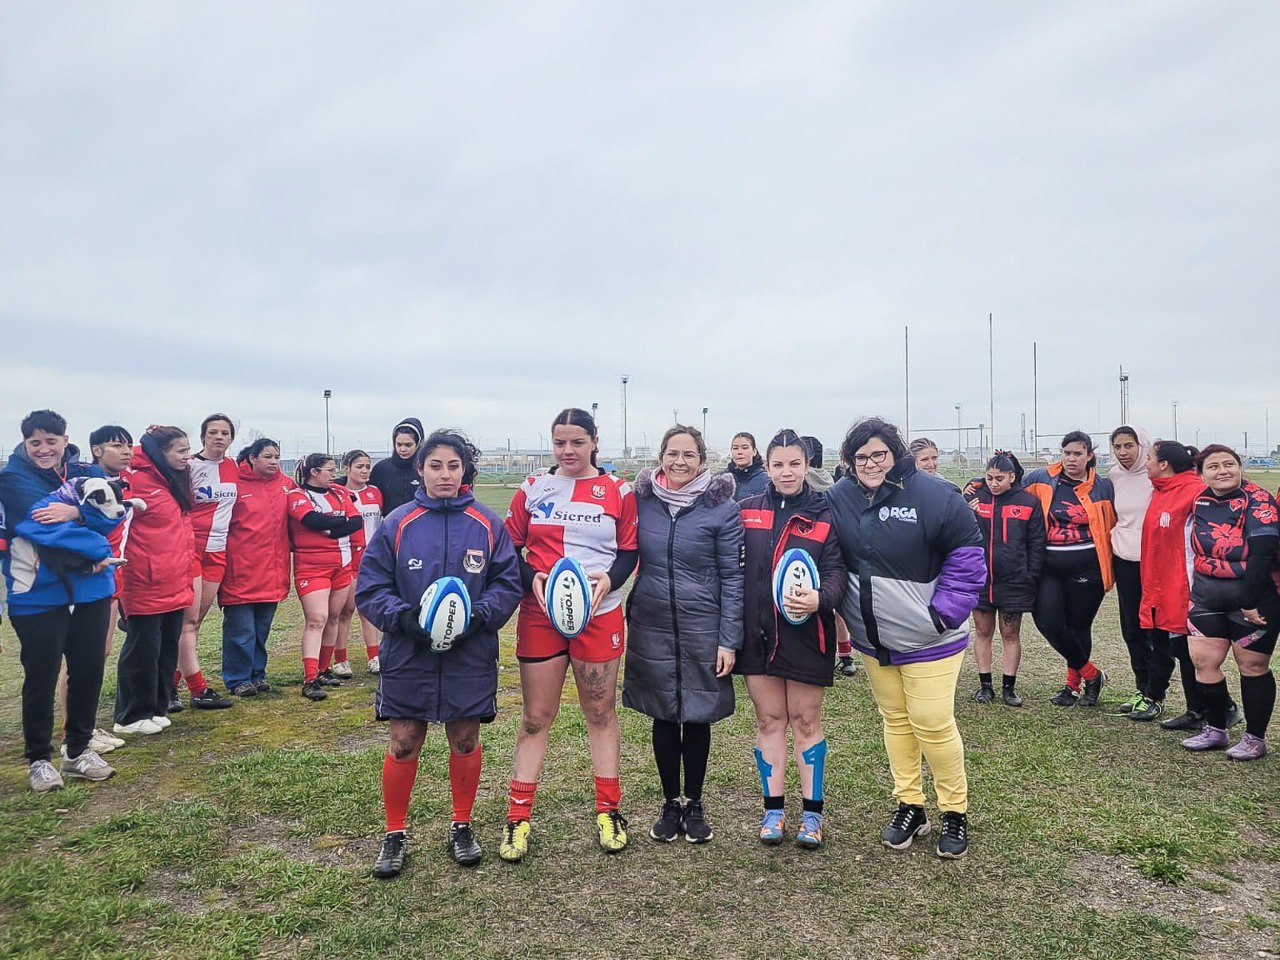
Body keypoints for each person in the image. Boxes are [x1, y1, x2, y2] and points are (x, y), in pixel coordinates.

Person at [356, 430, 522, 876]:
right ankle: (394, 833)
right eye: (435, 466)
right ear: (420, 470)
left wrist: (477, 617)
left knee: (465, 738)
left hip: (470, 652)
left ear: (465, 469)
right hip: (410, 652)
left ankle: (461, 825)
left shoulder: (488, 523)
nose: (445, 475)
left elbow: (508, 584)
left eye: (453, 466)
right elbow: (370, 588)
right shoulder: (397, 523)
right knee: (404, 741)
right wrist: (405, 619)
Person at [827, 417, 985, 860]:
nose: (871, 463)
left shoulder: (937, 495)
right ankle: (910, 804)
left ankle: (955, 810)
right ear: (849, 461)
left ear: (896, 452)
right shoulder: (839, 497)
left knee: (932, 724)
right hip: (874, 641)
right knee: (895, 721)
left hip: (932, 640)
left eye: (879, 453)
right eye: (861, 456)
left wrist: (941, 616)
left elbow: (968, 557)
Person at [499, 407, 638, 861]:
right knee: (536, 717)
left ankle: (608, 810)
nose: (568, 450)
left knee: (599, 710)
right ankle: (517, 820)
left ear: (594, 441)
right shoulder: (533, 486)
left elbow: (629, 552)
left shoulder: (618, 490)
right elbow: (508, 548)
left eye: (577, 442)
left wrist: (608, 582)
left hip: (598, 614)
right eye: (560, 442)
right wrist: (531, 579)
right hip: (541, 615)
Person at [624, 425, 743, 844]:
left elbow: (733, 576)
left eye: (688, 455)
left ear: (701, 460)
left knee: (696, 715)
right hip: (652, 623)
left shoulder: (723, 508)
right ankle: (669, 801)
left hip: (702, 626)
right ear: (661, 457)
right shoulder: (642, 502)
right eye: (672, 454)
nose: (679, 462)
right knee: (663, 713)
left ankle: (694, 802)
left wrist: (729, 638)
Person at [0, 410, 122, 791]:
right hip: (36, 592)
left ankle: (78, 750)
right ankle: (39, 758)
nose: (43, 449)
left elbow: (112, 514)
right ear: (24, 443)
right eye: (35, 442)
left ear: (65, 440)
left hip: (91, 590)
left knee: (88, 669)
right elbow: (39, 524)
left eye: (51, 441)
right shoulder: (12, 478)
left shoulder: (87, 473)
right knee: (42, 674)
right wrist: (98, 545)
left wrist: (75, 511)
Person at [737, 429, 846, 850]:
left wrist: (822, 598)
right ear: (767, 467)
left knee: (806, 722)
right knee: (769, 721)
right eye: (778, 464)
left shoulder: (824, 514)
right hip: (756, 637)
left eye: (794, 464)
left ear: (807, 466)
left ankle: (813, 816)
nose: (787, 472)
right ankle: (774, 811)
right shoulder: (745, 510)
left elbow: (837, 572)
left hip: (806, 637)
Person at [1180, 445, 1279, 760]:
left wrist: (1249, 600)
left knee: (1251, 665)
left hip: (1254, 594)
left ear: (1240, 467)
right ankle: (1216, 729)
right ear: (1202, 473)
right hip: (1208, 593)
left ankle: (1255, 738)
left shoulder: (1259, 500)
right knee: (1203, 662)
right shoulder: (1200, 500)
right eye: (1213, 466)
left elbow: (1263, 554)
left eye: (1229, 464)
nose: (1222, 471)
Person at [1139, 440, 1239, 729]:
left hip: (1188, 585)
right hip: (1161, 584)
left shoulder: (1194, 492)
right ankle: (1200, 709)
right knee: (1179, 648)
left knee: (1189, 649)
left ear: (1164, 464)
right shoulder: (1161, 491)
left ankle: (1219, 708)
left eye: (1149, 458)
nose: (1146, 464)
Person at [1024, 431, 1117, 707]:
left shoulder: (1103, 487)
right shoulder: (1040, 479)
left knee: (1078, 627)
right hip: (1048, 566)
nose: (1071, 459)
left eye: (1078, 453)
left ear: (1090, 456)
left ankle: (1073, 687)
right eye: (1067, 453)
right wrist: (977, 486)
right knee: (1048, 622)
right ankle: (1092, 674)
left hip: (1089, 567)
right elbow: (1007, 487)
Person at [115, 426, 197, 736]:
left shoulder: (172, 480)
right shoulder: (133, 480)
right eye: (180, 451)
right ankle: (130, 714)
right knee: (142, 647)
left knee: (166, 646)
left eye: (188, 450)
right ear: (158, 453)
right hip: (144, 579)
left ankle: (157, 706)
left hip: (174, 577)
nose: (186, 457)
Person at [963, 451, 1045, 706]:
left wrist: (1030, 575)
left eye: (999, 478)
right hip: (981, 580)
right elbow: (962, 535)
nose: (994, 483)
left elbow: (1037, 543)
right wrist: (969, 513)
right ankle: (985, 685)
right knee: (982, 631)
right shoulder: (974, 499)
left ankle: (1009, 687)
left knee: (1010, 634)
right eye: (989, 478)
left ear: (1012, 476)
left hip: (1014, 582)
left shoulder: (1029, 503)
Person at [172, 414, 237, 712]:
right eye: (213, 432)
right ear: (203, 437)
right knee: (187, 621)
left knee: (195, 621)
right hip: (191, 548)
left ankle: (169, 684)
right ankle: (194, 688)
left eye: (225, 433)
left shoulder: (233, 466)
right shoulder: (190, 467)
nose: (219, 437)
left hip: (218, 551)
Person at [287, 453, 364, 700]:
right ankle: (309, 678)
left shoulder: (340, 493)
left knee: (332, 617)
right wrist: (333, 523)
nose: (334, 473)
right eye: (329, 470)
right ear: (314, 472)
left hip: (341, 564)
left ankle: (323, 668)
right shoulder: (298, 495)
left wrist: (331, 527)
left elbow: (356, 522)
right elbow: (311, 519)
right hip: (312, 567)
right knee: (316, 618)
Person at [219, 439, 292, 697]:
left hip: (273, 569)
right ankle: (237, 678)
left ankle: (257, 674)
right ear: (252, 458)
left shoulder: (286, 484)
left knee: (262, 628)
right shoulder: (234, 483)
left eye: (277, 457)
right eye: (268, 457)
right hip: (241, 568)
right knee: (241, 630)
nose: (274, 462)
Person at [1108, 426, 1157, 717]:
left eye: (1129, 445)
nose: (1123, 452)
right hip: (1124, 559)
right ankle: (1143, 689)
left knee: (1157, 630)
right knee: (1132, 629)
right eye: (1118, 446)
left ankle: (1156, 692)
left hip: (1154, 561)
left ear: (1142, 445)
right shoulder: (1114, 476)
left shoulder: (1156, 475)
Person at [802, 435, 856, 678]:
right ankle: (846, 656)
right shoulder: (829, 478)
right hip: (836, 542)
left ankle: (826, 653)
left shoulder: (807, 479)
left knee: (821, 603)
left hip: (815, 543)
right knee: (838, 605)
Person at [333, 449, 384, 676]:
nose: (364, 471)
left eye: (367, 467)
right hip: (347, 558)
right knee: (345, 610)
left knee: (369, 610)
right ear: (347, 468)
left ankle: (374, 656)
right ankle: (340, 660)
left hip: (371, 561)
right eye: (359, 467)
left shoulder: (375, 492)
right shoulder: (337, 493)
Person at [369, 418, 425, 515]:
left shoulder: (426, 469)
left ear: (418, 444)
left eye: (408, 445)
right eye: (399, 444)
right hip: (391, 526)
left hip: (420, 525)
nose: (402, 449)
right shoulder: (381, 469)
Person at [723, 431, 770, 502]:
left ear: (754, 451)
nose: (739, 452)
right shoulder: (720, 479)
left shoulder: (766, 481)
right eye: (735, 448)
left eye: (744, 448)